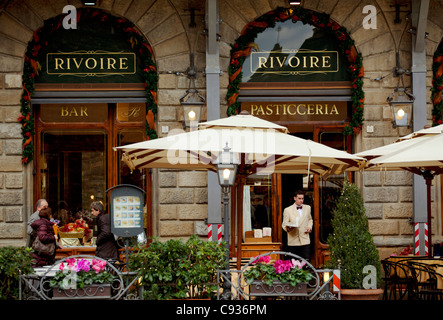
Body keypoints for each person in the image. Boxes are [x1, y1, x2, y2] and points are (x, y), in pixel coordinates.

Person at [282, 190, 313, 261]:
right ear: (294, 198)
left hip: (305, 239)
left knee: (306, 263)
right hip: (293, 241)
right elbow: (284, 224)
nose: (301, 200)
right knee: (294, 264)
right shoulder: (287, 210)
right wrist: (288, 228)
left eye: (302, 198)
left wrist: (309, 227)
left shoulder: (308, 208)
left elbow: (310, 219)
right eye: (299, 198)